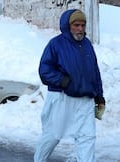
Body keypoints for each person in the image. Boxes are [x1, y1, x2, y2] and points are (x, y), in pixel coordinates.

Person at [34, 9, 106, 162]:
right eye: (76, 25)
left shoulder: (87, 44)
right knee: (53, 135)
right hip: (63, 97)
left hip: (85, 100)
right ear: (68, 26)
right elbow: (44, 70)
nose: (80, 29)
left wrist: (99, 96)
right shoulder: (56, 44)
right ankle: (39, 159)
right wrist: (63, 81)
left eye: (83, 25)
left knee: (87, 137)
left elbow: (94, 72)